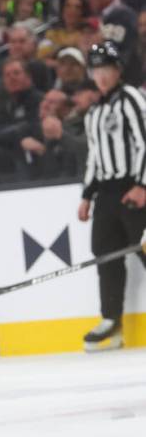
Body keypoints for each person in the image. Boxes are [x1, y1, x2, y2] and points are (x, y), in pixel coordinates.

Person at [78, 42, 146, 351]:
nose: (102, 76)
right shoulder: (94, 112)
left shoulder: (131, 99)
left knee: (143, 248)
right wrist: (87, 195)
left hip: (134, 188)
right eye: (96, 70)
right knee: (105, 255)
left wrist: (142, 185)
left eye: (107, 69)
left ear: (118, 70)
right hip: (106, 193)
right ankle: (110, 318)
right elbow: (94, 155)